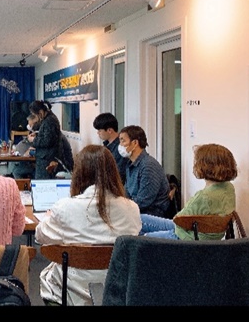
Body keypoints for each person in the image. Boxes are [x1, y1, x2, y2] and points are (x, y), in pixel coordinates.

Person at [36, 145, 142, 306]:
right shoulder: (131, 209)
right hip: (117, 290)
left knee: (49, 274)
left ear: (79, 174)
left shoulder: (65, 208)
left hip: (71, 291)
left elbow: (40, 236)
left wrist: (49, 218)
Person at [139, 143, 238, 240]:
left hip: (187, 237)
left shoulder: (203, 196)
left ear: (205, 166)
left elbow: (179, 219)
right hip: (204, 235)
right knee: (140, 219)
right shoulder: (229, 188)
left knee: (142, 239)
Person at [118, 125, 169, 217]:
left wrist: (121, 209)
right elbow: (126, 194)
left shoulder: (149, 166)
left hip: (151, 216)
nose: (120, 145)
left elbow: (143, 201)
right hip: (136, 212)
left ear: (135, 143)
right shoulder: (130, 164)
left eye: (123, 140)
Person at [26, 100, 61, 179]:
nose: (36, 118)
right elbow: (48, 136)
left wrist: (33, 139)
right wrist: (37, 135)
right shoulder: (49, 119)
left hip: (46, 159)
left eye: (35, 115)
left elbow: (47, 141)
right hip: (45, 157)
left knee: (42, 183)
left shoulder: (49, 121)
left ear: (41, 112)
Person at [93, 112, 128, 184]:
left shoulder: (120, 149)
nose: (98, 133)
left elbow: (117, 175)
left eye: (100, 130)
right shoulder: (107, 145)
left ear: (109, 130)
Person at [10, 114, 40, 179]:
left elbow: (34, 149)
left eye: (31, 124)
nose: (29, 126)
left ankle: (21, 186)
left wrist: (29, 151)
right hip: (27, 160)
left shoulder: (39, 134)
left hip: (35, 164)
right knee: (14, 166)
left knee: (16, 171)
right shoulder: (33, 133)